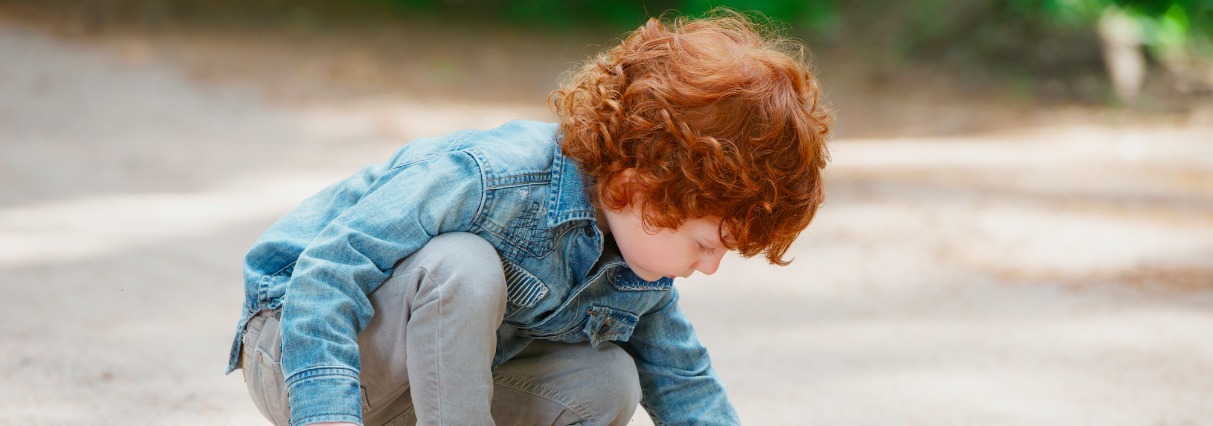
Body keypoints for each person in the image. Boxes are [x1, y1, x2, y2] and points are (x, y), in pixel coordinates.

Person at [225, 9, 832, 426]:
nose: (711, 266)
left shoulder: (637, 274)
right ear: (634, 186)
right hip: (309, 356)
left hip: (421, 398)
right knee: (463, 266)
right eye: (705, 244)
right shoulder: (488, 178)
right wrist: (326, 413)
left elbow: (686, 384)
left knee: (608, 382)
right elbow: (328, 274)